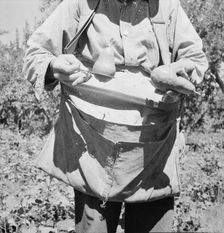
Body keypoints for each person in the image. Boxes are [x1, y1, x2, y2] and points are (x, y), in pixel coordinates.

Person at [23, 0, 208, 232]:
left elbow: (196, 60)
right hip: (91, 148)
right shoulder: (81, 4)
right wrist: (53, 65)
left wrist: (179, 71)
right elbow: (36, 55)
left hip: (153, 148)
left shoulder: (167, 6)